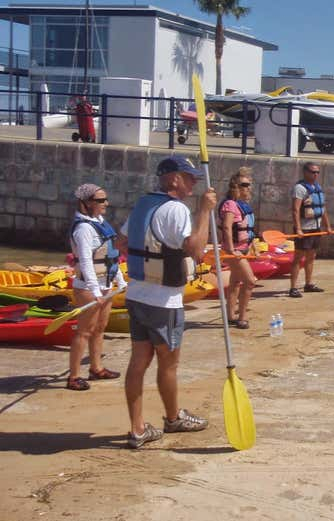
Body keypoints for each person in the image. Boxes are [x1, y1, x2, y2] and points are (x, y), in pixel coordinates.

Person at [117, 155, 216, 449]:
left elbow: (122, 242)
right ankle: (173, 419)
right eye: (189, 177)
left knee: (138, 362)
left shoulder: (143, 204)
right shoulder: (176, 210)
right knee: (168, 364)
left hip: (136, 295)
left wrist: (147, 259)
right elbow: (197, 251)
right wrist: (204, 212)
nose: (194, 182)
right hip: (164, 302)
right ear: (173, 178)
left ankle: (137, 429)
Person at [66, 183, 126, 391]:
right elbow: (85, 261)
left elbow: (109, 255)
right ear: (87, 203)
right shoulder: (83, 228)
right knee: (84, 331)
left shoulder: (99, 222)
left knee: (100, 328)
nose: (106, 204)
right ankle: (73, 376)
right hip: (87, 287)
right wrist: (94, 290)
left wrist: (119, 279)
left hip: (106, 284)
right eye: (101, 200)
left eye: (105, 199)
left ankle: (96, 368)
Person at [218, 167, 257, 329]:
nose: (248, 188)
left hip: (243, 249)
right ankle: (242, 317)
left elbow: (248, 229)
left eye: (249, 185)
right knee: (250, 282)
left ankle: (230, 316)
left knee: (235, 282)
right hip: (234, 251)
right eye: (244, 185)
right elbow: (227, 228)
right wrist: (231, 249)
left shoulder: (242, 205)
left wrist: (253, 246)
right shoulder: (230, 205)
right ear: (235, 187)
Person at [289, 162, 331, 298]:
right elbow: (295, 210)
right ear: (305, 172)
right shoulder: (299, 188)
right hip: (304, 228)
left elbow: (323, 209)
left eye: (317, 172)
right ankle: (293, 287)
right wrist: (298, 229)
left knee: (311, 257)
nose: (316, 175)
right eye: (313, 172)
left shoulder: (317, 187)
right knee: (298, 257)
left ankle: (308, 284)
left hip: (315, 227)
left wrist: (327, 226)